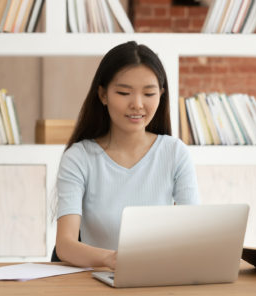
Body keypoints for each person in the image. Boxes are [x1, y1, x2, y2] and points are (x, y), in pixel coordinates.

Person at [55, 41, 199, 270]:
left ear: (161, 95)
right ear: (103, 94)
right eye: (124, 93)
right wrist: (111, 259)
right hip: (97, 282)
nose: (137, 104)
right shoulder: (79, 158)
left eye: (149, 93)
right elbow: (65, 245)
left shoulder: (175, 152)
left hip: (159, 279)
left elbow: (194, 234)